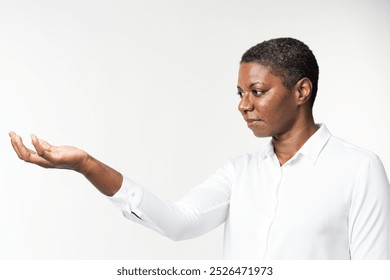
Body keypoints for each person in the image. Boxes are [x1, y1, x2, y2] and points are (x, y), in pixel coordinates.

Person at [9, 38, 390, 259]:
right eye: (240, 93)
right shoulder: (240, 172)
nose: (243, 104)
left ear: (301, 91)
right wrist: (86, 165)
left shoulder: (358, 169)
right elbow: (178, 222)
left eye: (257, 92)